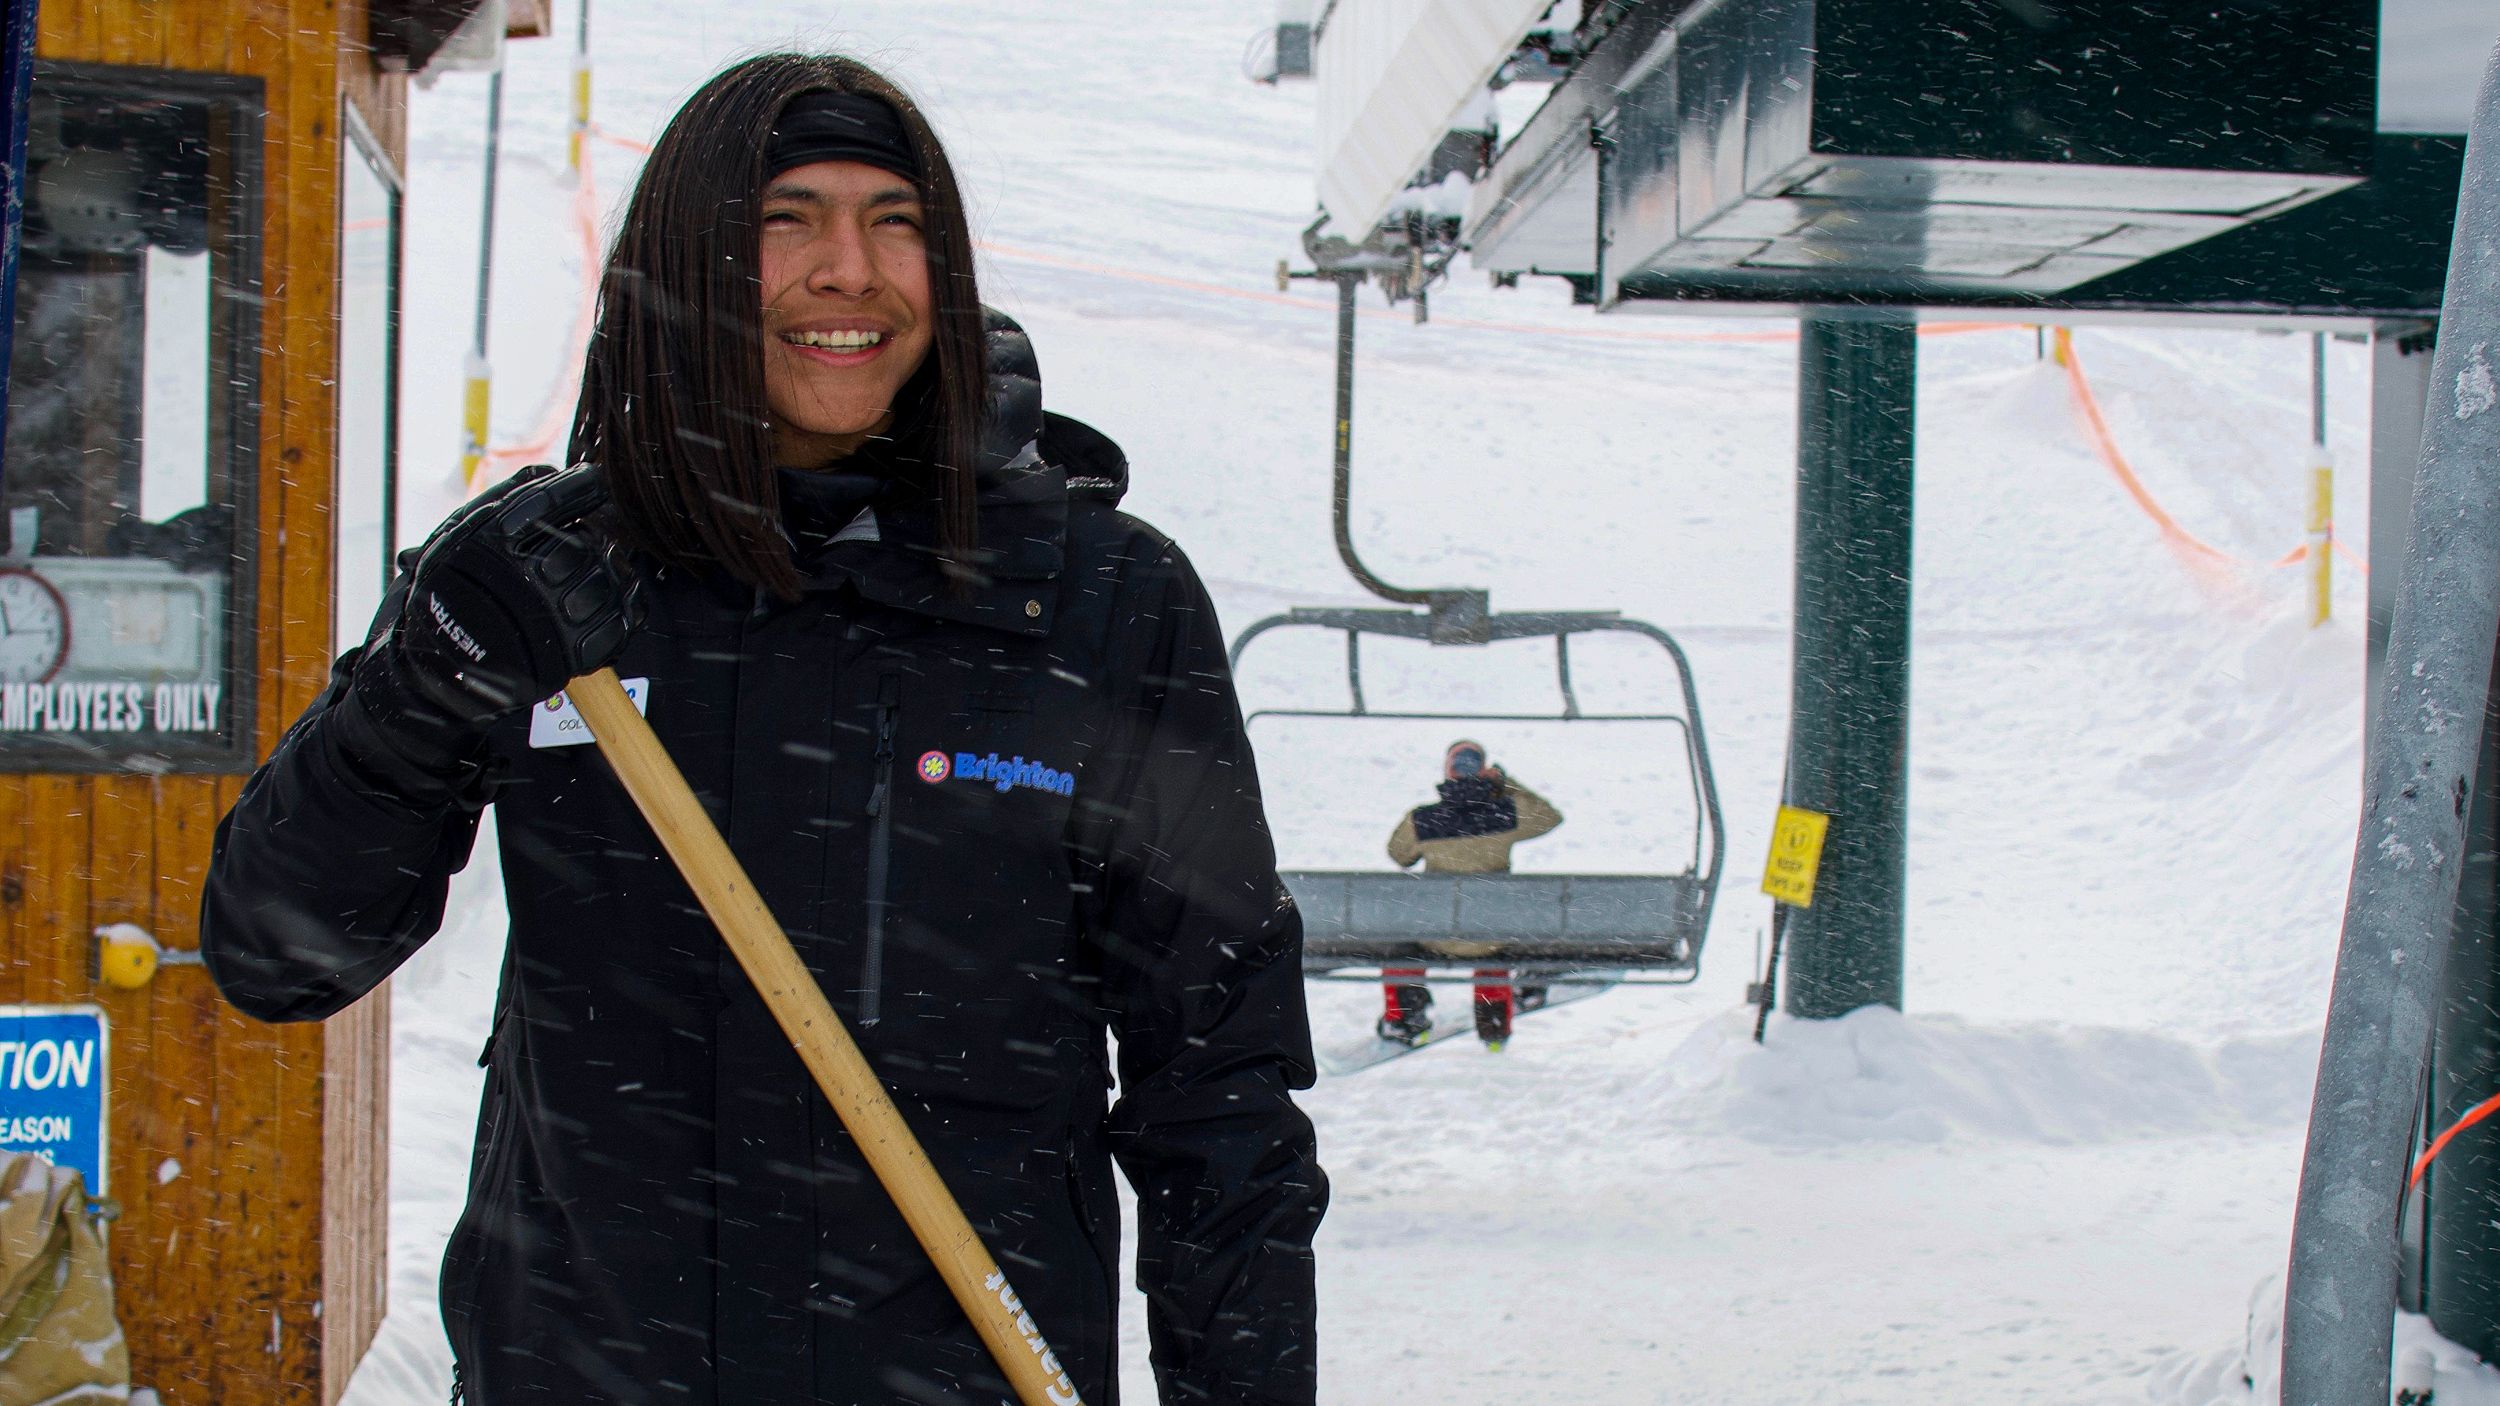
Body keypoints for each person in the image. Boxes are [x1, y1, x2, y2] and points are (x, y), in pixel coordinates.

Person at [199, 55, 1326, 1406]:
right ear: (685, 267)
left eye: (894, 221)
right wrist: (423, 672)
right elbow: (275, 951)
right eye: (784, 219)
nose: (846, 268)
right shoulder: (560, 589)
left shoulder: (1097, 600)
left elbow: (1222, 1088)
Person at [1378, 740, 1563, 1049]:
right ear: (1482, 771)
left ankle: (1406, 1021)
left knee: (1401, 943)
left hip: (1434, 934)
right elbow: (1548, 817)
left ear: (1448, 772)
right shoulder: (1505, 815)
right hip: (1490, 935)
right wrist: (1503, 785)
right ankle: (1493, 1030)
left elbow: (1399, 855)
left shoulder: (1424, 820)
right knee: (1494, 943)